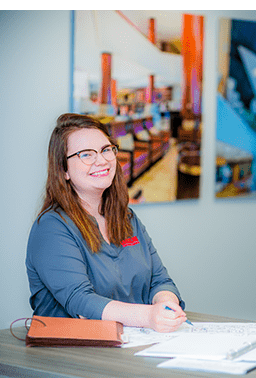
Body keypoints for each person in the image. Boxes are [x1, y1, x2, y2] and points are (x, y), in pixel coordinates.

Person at [26, 113, 187, 332]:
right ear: (63, 170)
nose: (101, 160)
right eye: (86, 154)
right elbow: (80, 301)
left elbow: (159, 280)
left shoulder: (127, 218)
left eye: (106, 149)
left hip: (135, 346)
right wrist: (148, 316)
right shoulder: (52, 228)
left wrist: (165, 305)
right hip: (75, 358)